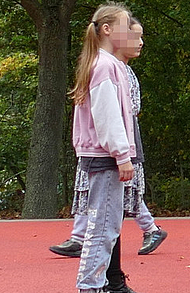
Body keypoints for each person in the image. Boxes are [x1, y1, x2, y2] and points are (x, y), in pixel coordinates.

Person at [50, 18, 167, 259]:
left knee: (119, 194)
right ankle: (81, 239)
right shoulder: (103, 66)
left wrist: (122, 152)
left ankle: (145, 231)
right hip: (104, 144)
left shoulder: (118, 70)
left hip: (116, 143)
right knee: (98, 192)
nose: (140, 43)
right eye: (134, 36)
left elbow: (126, 111)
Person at [66, 2, 148, 293]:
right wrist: (122, 155)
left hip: (104, 155)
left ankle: (95, 289)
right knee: (102, 226)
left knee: (108, 225)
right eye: (126, 27)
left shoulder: (106, 64)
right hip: (104, 157)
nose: (131, 34)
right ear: (107, 30)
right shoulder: (104, 66)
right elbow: (108, 116)